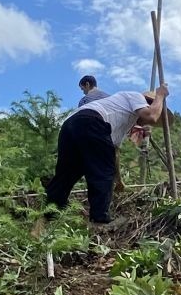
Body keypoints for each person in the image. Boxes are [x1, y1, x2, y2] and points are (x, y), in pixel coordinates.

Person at [43, 85, 168, 225]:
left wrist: (119, 180)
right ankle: (99, 220)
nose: (144, 122)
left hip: (70, 125)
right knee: (101, 173)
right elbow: (152, 116)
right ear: (147, 103)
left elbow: (113, 153)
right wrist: (160, 95)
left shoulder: (121, 120)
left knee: (67, 173)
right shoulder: (136, 97)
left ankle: (50, 217)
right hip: (92, 121)